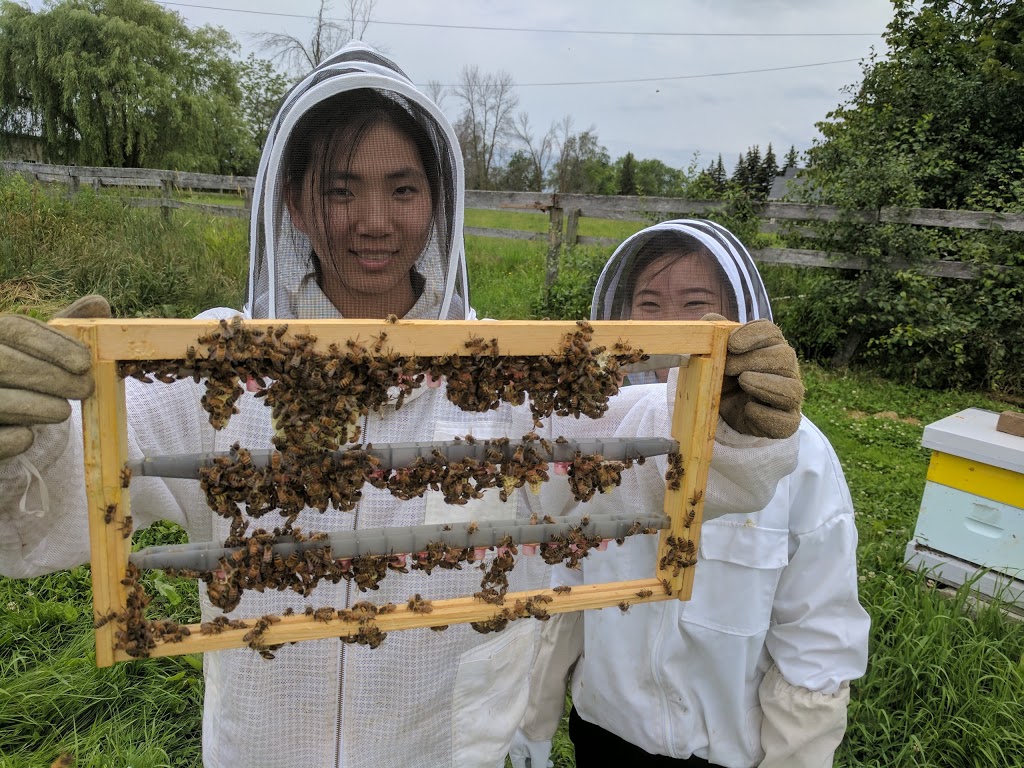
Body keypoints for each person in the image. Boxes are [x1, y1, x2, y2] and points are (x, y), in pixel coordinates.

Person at [0, 43, 805, 765]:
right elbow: (77, 474)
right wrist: (29, 430)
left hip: (445, 743)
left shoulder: (513, 373)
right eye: (340, 188)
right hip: (262, 745)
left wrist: (727, 423)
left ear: (439, 202)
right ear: (293, 202)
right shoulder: (217, 367)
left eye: (402, 187)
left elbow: (638, 445)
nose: (375, 221)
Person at [511, 220, 870, 768]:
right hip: (604, 733)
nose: (669, 324)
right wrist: (533, 725)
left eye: (697, 303)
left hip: (727, 753)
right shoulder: (593, 440)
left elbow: (816, 630)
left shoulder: (802, 456)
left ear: (740, 318)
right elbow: (563, 590)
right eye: (648, 303)